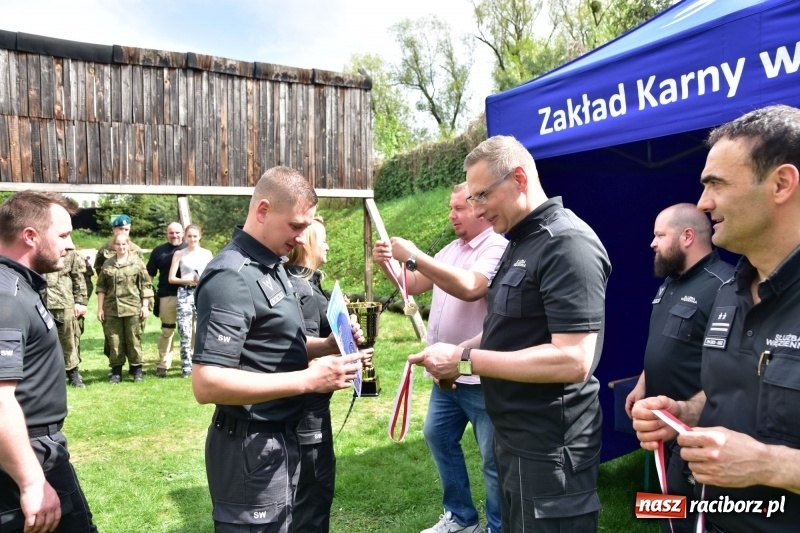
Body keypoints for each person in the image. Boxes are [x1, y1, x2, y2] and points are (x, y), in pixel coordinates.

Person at [409, 135, 611, 532]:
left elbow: (574, 360)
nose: (478, 211)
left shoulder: (566, 244)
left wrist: (465, 360)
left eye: (481, 196)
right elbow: (507, 328)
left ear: (519, 178)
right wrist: (457, 350)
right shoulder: (520, 242)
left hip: (551, 447)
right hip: (515, 437)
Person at [632, 104, 800, 532]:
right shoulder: (729, 292)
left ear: (781, 184)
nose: (703, 202)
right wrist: (685, 411)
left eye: (716, 185)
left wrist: (772, 465)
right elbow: (732, 390)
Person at [191, 165, 364, 533]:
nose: (303, 238)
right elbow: (207, 384)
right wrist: (307, 380)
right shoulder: (231, 276)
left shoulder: (272, 267)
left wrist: (327, 345)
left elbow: (274, 344)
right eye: (297, 226)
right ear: (263, 210)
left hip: (280, 437)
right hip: (249, 442)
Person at [373, 183, 507, 533]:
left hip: (479, 372)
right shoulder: (451, 248)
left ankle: (498, 526)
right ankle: (461, 518)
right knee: (437, 435)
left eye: (458, 208)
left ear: (479, 208)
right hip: (446, 375)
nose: (451, 215)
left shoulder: (496, 246)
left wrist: (415, 254)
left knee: (493, 459)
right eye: (450, 208)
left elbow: (471, 286)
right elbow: (414, 285)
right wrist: (391, 265)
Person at [624, 203, 734, 533]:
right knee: (668, 508)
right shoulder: (670, 282)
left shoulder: (724, 286)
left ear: (687, 236)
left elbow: (730, 364)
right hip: (662, 423)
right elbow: (665, 342)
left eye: (659, 235)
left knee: (689, 516)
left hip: (695, 428)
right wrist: (643, 383)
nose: (652, 243)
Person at [0, 190, 98, 532]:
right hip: (26, 455)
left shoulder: (20, 286)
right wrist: (31, 481)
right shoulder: (6, 298)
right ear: (30, 236)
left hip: (35, 448)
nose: (70, 245)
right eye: (64, 235)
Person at [285, 216, 336, 533]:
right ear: (306, 242)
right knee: (312, 496)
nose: (328, 245)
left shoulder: (305, 283)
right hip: (308, 414)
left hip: (305, 411)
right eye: (324, 238)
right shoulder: (303, 291)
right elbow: (300, 355)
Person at [96, 234, 154, 384]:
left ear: (128, 245)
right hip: (112, 308)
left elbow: (146, 285)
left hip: (133, 307)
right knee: (114, 340)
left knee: (134, 339)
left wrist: (145, 305)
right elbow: (101, 287)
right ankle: (116, 371)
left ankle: (137, 370)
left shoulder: (137, 263)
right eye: (118, 244)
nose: (121, 247)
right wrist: (100, 309)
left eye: (124, 244)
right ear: (114, 246)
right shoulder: (108, 264)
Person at [167, 224, 213, 378]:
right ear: (185, 237)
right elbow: (171, 278)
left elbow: (213, 275)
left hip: (203, 293)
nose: (192, 239)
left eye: (195, 236)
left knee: (204, 329)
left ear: (200, 236)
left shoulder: (207, 254)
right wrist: (187, 280)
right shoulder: (179, 254)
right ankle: (186, 366)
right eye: (189, 236)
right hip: (185, 293)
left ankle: (203, 363)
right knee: (185, 331)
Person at [44, 249, 90, 388]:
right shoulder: (36, 247)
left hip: (64, 302)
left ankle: (73, 374)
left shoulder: (69, 252)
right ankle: (46, 376)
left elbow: (79, 278)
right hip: (39, 301)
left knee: (68, 340)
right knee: (41, 340)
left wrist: (80, 302)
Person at [146, 221, 186, 378]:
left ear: (182, 233)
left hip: (189, 296)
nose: (174, 235)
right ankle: (163, 364)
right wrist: (147, 295)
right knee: (167, 330)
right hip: (167, 296)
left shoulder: (190, 250)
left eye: (177, 232)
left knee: (190, 330)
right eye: (171, 233)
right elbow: (149, 275)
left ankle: (188, 363)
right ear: (166, 233)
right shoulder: (158, 251)